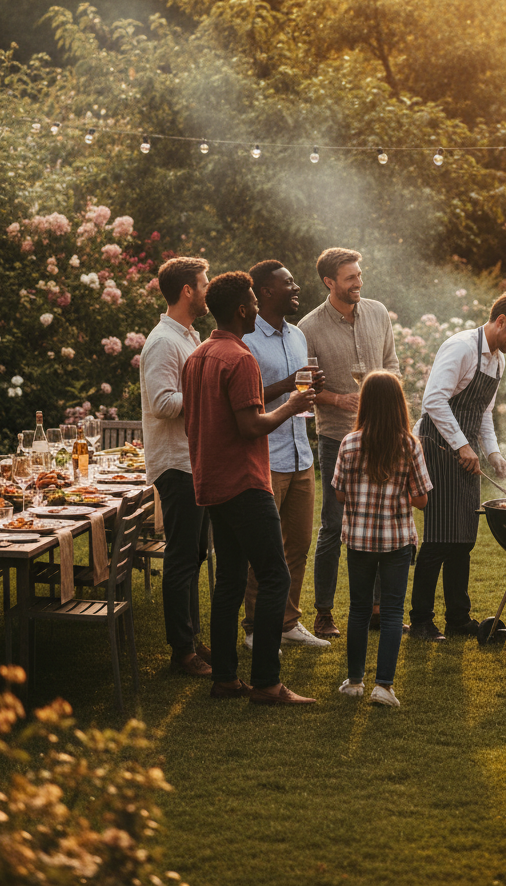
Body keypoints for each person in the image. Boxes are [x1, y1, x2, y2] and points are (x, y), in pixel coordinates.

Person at [183, 271, 317, 706]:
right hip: (244, 482)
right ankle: (266, 684)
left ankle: (224, 680)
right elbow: (249, 426)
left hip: (211, 481)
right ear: (242, 310)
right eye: (254, 302)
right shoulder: (239, 359)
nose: (259, 307)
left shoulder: (199, 354)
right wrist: (293, 405)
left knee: (229, 581)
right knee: (275, 574)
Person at [409, 291, 506, 641]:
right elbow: (433, 399)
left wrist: (492, 452)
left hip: (465, 453)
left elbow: (483, 412)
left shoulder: (497, 360)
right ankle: (420, 621)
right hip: (437, 447)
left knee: (463, 539)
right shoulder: (462, 347)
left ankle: (458, 619)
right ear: (500, 321)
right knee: (439, 537)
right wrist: (463, 446)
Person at [298, 247, 400, 639]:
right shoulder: (309, 327)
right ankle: (324, 612)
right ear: (329, 282)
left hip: (381, 434)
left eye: (359, 275)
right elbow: (303, 386)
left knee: (383, 517)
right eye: (350, 278)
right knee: (333, 524)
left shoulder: (377, 312)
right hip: (337, 436)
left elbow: (391, 365)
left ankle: (377, 609)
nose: (358, 282)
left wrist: (383, 396)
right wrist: (338, 399)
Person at [242, 260, 330, 652]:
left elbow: (299, 391)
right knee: (265, 549)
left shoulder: (297, 335)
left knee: (298, 545)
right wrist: (291, 387)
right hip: (267, 457)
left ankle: (287, 622)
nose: (296, 288)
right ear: (264, 291)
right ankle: (254, 629)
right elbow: (246, 397)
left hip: (301, 455)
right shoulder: (247, 339)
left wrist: (310, 387)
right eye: (288, 283)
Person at [333, 371, 432, 707]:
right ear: (398, 405)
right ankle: (384, 687)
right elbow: (421, 499)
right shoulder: (409, 445)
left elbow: (339, 494)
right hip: (396, 541)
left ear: (365, 404)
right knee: (391, 611)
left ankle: (355, 681)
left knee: (359, 610)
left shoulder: (349, 443)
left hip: (359, 540)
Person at [139, 256, 213, 677]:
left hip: (195, 460)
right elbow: (163, 403)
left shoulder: (188, 336)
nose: (207, 291)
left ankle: (189, 637)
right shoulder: (164, 342)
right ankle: (181, 652)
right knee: (183, 556)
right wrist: (208, 393)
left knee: (196, 552)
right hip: (176, 464)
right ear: (187, 290)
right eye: (203, 284)